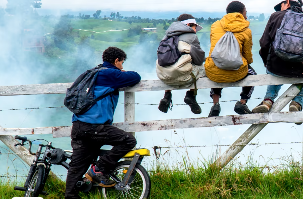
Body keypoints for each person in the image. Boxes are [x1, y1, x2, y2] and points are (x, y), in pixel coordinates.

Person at [65, 47, 141, 199]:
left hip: (79, 127)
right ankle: (99, 169)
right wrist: (122, 73)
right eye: (122, 63)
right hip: (95, 127)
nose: (122, 66)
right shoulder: (109, 73)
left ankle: (70, 195)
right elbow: (136, 77)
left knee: (76, 167)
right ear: (116, 61)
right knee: (128, 140)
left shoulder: (91, 73)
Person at [252, 0, 303, 114]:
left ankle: (268, 101)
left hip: (275, 67)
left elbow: (264, 43)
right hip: (298, 71)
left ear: (286, 3)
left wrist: (267, 63)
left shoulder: (275, 16)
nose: (280, 9)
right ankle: (296, 102)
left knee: (274, 74)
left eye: (281, 6)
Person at [204, 1, 256, 117]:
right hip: (237, 72)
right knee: (253, 74)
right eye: (245, 12)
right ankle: (242, 102)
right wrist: (247, 63)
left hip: (215, 73)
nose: (246, 16)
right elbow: (247, 55)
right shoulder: (246, 29)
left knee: (215, 67)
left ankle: (215, 104)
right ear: (240, 13)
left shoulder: (215, 26)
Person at [157, 14, 206, 114]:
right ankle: (191, 95)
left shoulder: (166, 36)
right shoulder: (192, 36)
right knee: (202, 67)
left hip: (163, 75)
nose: (195, 30)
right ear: (188, 24)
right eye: (195, 27)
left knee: (171, 64)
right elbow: (199, 58)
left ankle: (167, 95)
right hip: (181, 75)